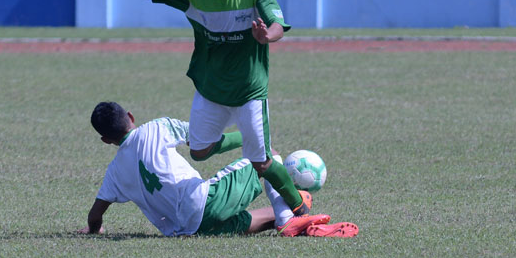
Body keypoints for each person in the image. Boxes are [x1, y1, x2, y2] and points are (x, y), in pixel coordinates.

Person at [96, 0, 310, 234]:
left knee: (261, 161)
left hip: (249, 92)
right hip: (210, 92)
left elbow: (277, 24)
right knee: (198, 150)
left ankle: (298, 211)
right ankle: (251, 143)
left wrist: (266, 37)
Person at [77, 102, 358, 238]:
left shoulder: (113, 172)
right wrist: (251, 140)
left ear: (106, 140)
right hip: (204, 204)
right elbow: (205, 142)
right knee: (267, 154)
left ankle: (293, 222)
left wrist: (95, 228)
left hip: (186, 231)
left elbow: (95, 214)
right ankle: (295, 214)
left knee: (269, 215)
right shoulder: (156, 127)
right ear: (130, 117)